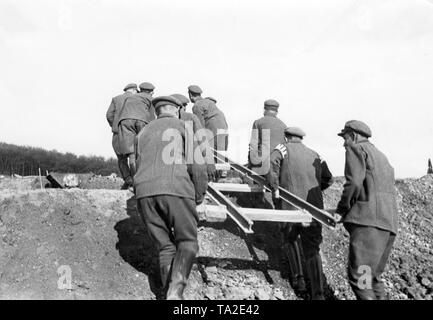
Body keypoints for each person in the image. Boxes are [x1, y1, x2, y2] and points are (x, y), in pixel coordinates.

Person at [134, 96, 208, 300]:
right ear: (176, 111)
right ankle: (175, 292)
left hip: (144, 193)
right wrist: (199, 195)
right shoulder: (184, 127)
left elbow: (135, 165)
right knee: (188, 242)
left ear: (157, 112)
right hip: (176, 189)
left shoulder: (142, 133)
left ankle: (168, 293)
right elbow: (198, 167)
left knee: (165, 247)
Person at [268, 127, 333, 300]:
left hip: (290, 205)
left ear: (287, 137)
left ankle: (299, 280)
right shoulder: (315, 154)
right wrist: (317, 190)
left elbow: (272, 164)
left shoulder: (282, 149)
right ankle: (318, 294)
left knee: (289, 239)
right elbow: (329, 178)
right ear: (301, 138)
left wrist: (275, 187)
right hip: (314, 209)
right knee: (312, 249)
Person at [336, 120, 398, 300]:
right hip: (388, 225)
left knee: (361, 280)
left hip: (368, 224)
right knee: (373, 279)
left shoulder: (356, 149)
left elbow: (354, 182)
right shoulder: (381, 156)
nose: (344, 143)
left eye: (345, 138)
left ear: (353, 136)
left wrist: (342, 209)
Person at [116, 82, 155, 187]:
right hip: (142, 121)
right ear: (150, 92)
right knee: (144, 149)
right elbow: (152, 118)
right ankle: (144, 180)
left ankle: (134, 181)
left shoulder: (130, 98)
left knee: (131, 153)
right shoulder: (150, 99)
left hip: (125, 121)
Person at [172, 93, 216, 181]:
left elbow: (202, 140)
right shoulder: (165, 120)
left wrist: (210, 164)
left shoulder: (191, 118)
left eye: (184, 106)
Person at [106, 83, 138, 189]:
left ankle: (128, 179)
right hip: (131, 132)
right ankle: (135, 181)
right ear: (133, 90)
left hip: (117, 133)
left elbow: (109, 115)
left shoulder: (116, 99)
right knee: (133, 156)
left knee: (121, 159)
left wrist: (115, 125)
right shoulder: (136, 99)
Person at [248, 99, 287, 176]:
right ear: (276, 112)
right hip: (277, 163)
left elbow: (253, 145)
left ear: (264, 110)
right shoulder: (283, 125)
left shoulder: (258, 122)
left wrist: (251, 164)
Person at [188, 85, 228, 152]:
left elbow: (200, 126)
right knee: (220, 157)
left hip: (213, 131)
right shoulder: (209, 102)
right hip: (224, 130)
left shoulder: (197, 105)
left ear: (190, 95)